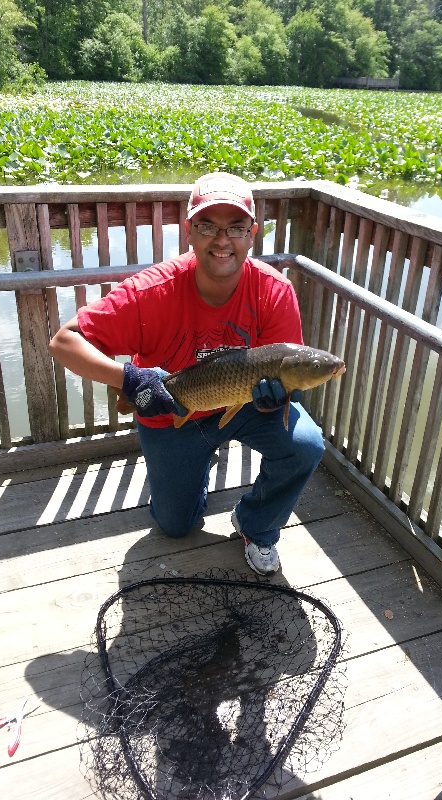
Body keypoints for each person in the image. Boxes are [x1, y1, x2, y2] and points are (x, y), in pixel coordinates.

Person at [49, 172, 325, 576]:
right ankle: (194, 469)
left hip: (245, 406)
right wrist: (130, 380)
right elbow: (63, 342)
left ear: (252, 234)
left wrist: (282, 396)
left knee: (306, 444)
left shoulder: (273, 291)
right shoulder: (151, 291)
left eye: (235, 227)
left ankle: (256, 526)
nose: (222, 239)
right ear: (189, 232)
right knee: (175, 527)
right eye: (208, 226)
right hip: (170, 409)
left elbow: (290, 377)